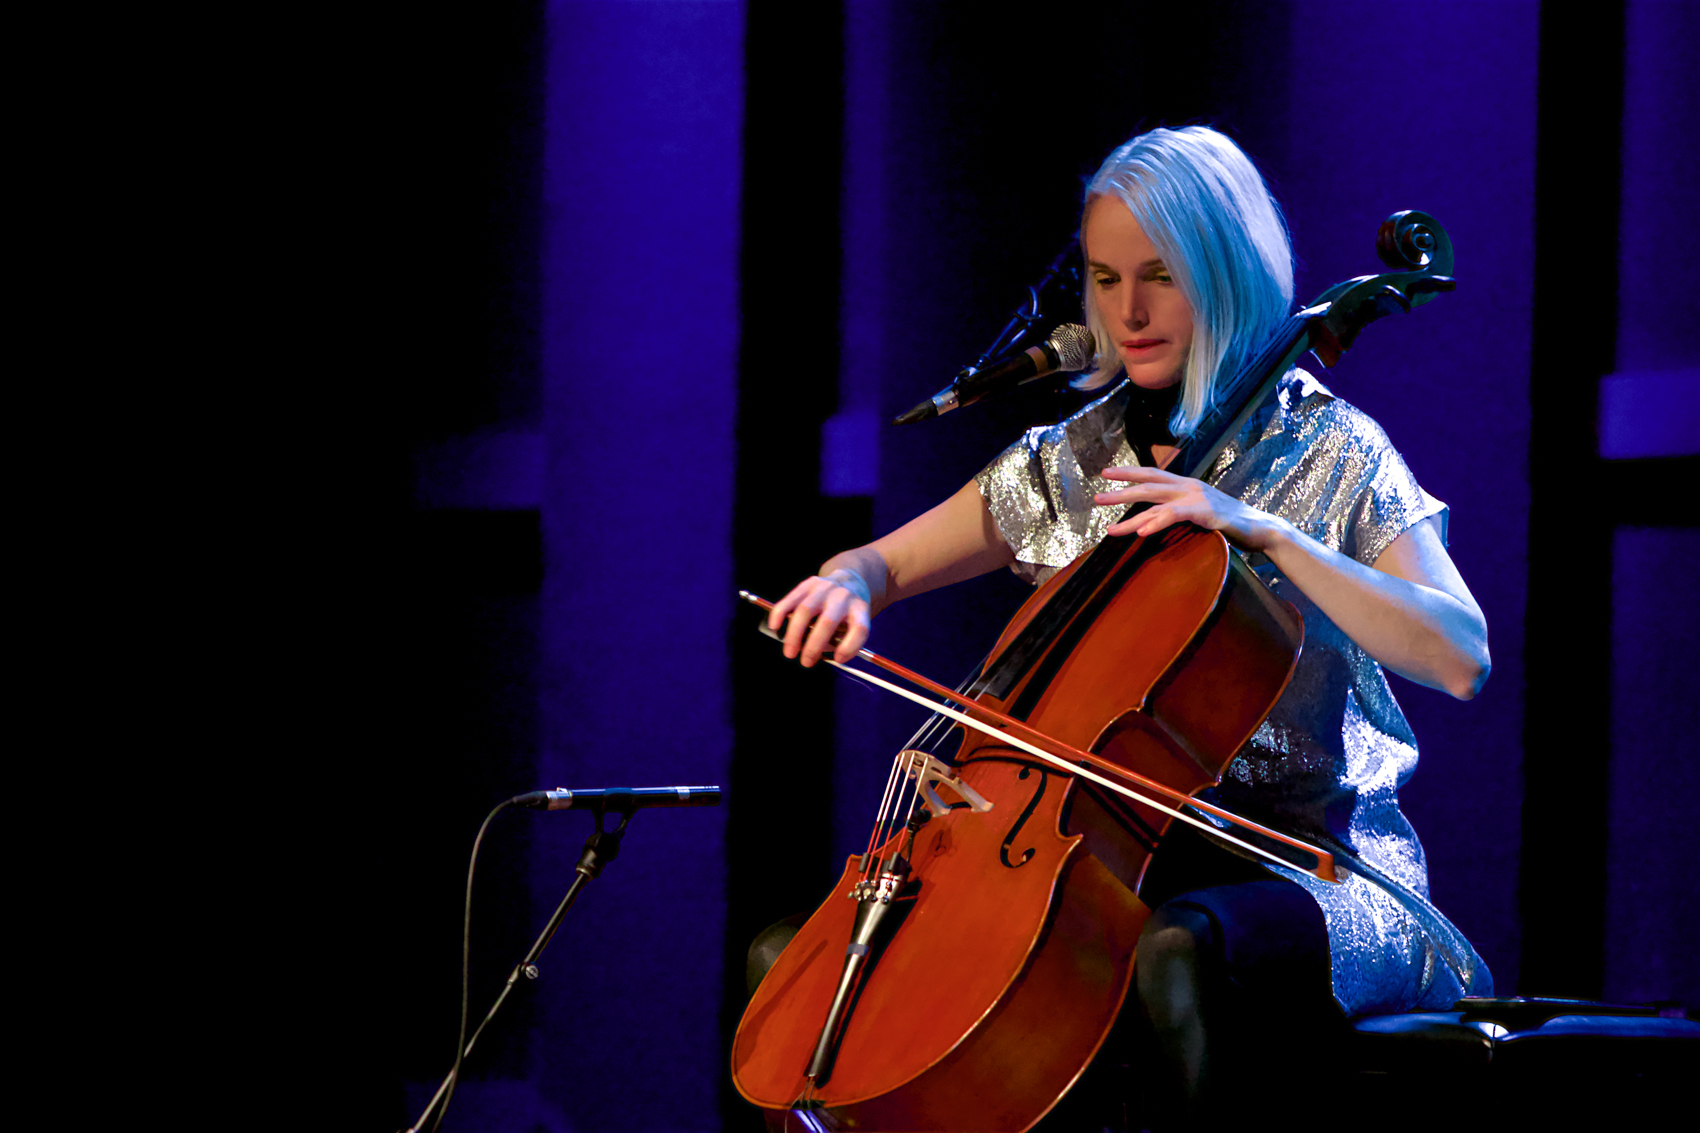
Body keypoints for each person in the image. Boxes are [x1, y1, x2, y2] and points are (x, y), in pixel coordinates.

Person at [763, 126, 1494, 1128]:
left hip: (1319, 873)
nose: (1127, 310)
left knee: (1172, 950)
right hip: (1118, 859)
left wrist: (1264, 531)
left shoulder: (1328, 447)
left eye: (1159, 275)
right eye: (1105, 278)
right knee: (808, 958)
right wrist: (844, 581)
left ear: (1225, 272)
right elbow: (881, 562)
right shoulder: (1072, 459)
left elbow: (1457, 653)